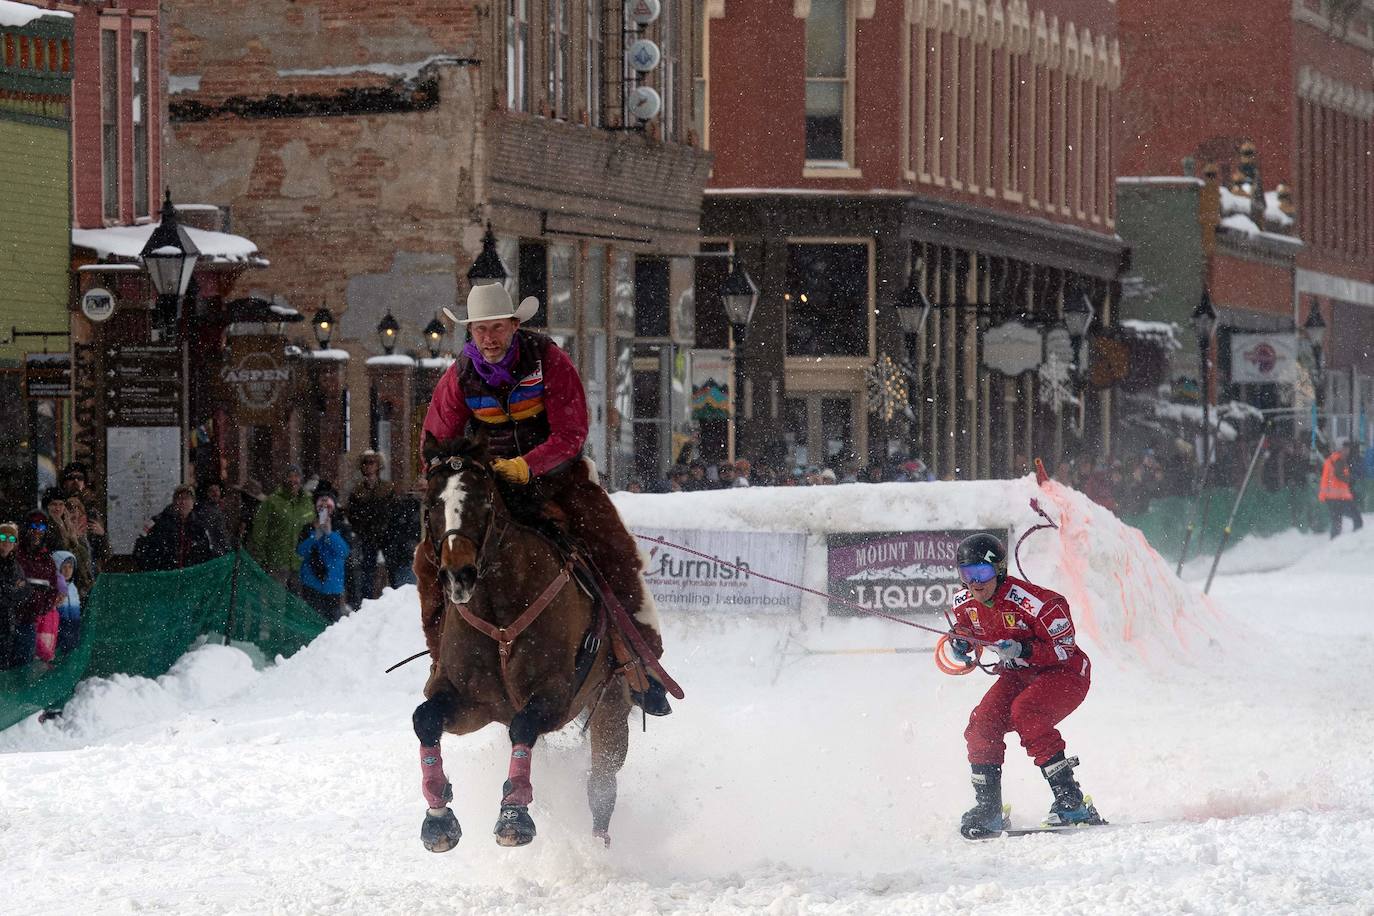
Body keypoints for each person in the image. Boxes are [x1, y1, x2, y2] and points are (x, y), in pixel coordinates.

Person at [420, 283, 672, 715]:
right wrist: (452, 480)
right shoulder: (458, 376)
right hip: (488, 484)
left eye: (497, 328)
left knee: (611, 547)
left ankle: (637, 658)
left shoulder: (548, 361)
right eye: (480, 330)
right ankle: (442, 657)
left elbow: (571, 433)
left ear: (515, 326)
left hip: (557, 478)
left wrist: (527, 465)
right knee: (429, 559)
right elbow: (438, 440)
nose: (489, 339)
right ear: (471, 333)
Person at [946, 532, 1102, 838]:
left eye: (982, 573)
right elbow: (966, 627)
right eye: (967, 574)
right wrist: (961, 643)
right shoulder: (964, 602)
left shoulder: (1039, 604)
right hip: (1018, 676)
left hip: (1065, 675)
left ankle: (1072, 801)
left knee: (1027, 712)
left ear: (999, 569)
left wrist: (1025, 650)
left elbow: (1064, 649)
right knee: (982, 723)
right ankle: (988, 808)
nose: (974, 583)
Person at [248, 465, 316, 592]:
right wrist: (262, 558)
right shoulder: (272, 502)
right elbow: (259, 532)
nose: (293, 480)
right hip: (277, 563)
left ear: (301, 479)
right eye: (290, 476)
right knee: (276, 604)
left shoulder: (307, 502)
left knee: (298, 606)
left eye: (296, 476)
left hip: (301, 564)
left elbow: (314, 527)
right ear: (283, 479)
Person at [344, 450, 395, 609]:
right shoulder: (357, 491)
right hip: (366, 538)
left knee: (390, 572)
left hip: (385, 537)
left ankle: (391, 604)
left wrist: (386, 530)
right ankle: (367, 606)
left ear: (378, 466)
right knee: (367, 574)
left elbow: (392, 512)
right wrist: (362, 531)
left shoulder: (387, 488)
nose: (368, 466)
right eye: (365, 463)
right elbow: (352, 515)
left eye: (372, 462)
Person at [133, 485, 225, 571]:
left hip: (192, 580)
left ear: (193, 502)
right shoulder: (158, 522)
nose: (183, 502)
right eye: (179, 498)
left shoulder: (201, 526)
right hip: (165, 580)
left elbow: (212, 550)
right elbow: (140, 548)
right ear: (174, 502)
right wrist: (155, 570)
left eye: (187, 498)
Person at [296, 486, 351, 623]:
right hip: (311, 584)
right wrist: (315, 535)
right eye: (321, 506)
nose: (325, 509)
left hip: (333, 586)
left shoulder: (341, 527)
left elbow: (344, 552)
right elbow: (301, 551)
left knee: (331, 625)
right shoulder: (308, 528)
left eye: (329, 506)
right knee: (311, 622)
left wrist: (330, 534)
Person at [14, 511, 59, 668]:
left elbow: (53, 588)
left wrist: (41, 606)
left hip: (30, 621)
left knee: (24, 666)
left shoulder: (47, 560)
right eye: (34, 525)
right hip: (9, 619)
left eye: (41, 526)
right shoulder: (15, 554)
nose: (37, 530)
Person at [0, 521, 32, 670]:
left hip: (7, 623)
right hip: (6, 617)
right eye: (3, 537)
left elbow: (26, 591)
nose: (7, 541)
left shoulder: (15, 565)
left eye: (11, 539)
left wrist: (9, 591)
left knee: (4, 663)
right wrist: (13, 589)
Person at [1319, 441, 1363, 539]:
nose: (1347, 451)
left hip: (1331, 497)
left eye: (1348, 449)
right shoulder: (1339, 459)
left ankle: (1334, 544)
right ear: (1341, 449)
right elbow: (1339, 475)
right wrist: (1351, 479)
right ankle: (1357, 539)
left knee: (1336, 522)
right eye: (1345, 449)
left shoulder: (1331, 459)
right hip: (1339, 497)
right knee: (1357, 518)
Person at [51, 549, 81, 656]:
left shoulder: (73, 588)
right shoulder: (53, 586)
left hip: (72, 633)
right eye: (64, 567)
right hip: (56, 634)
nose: (68, 570)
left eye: (70, 567)